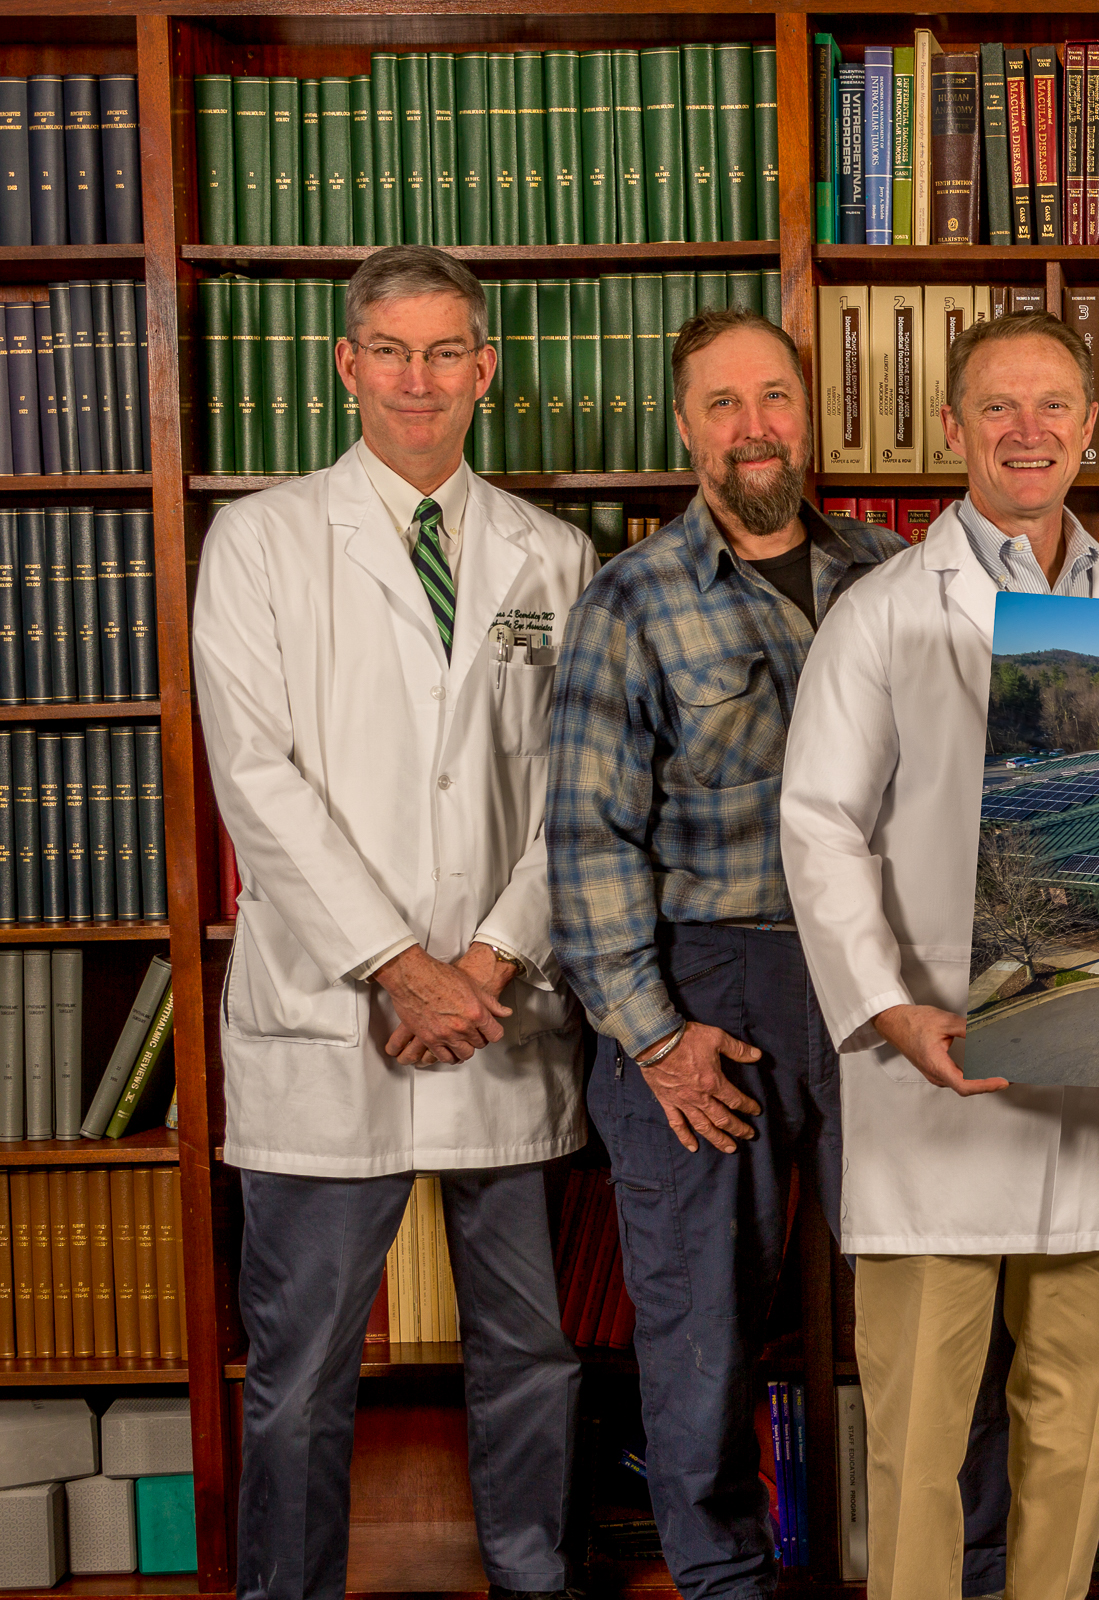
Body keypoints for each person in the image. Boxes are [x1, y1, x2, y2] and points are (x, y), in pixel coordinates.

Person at [546, 306, 986, 1600]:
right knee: (700, 1330)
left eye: (775, 397)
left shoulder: (899, 575)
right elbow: (584, 837)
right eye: (723, 404)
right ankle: (725, 1580)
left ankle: (959, 1569)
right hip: (708, 988)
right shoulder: (628, 602)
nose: (754, 427)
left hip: (887, 980)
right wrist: (653, 1036)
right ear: (685, 427)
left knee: (931, 1298)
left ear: (811, 412)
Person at [191, 244, 591, 1600]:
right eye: (391, 353)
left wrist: (482, 961)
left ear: (485, 371)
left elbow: (572, 789)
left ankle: (529, 1577)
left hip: (503, 1006)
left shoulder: (554, 553)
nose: (418, 380)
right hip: (333, 1012)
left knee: (530, 1351)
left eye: (446, 354)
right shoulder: (258, 540)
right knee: (300, 1368)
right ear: (348, 365)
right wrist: (400, 968)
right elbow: (254, 777)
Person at [780, 312, 1099, 1600]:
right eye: (997, 408)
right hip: (935, 1066)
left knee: (1074, 1427)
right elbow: (820, 824)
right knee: (917, 1440)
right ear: (952, 430)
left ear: (1090, 427)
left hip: (1096, 1074)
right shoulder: (885, 609)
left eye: (1053, 406)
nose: (1027, 431)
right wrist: (889, 1011)